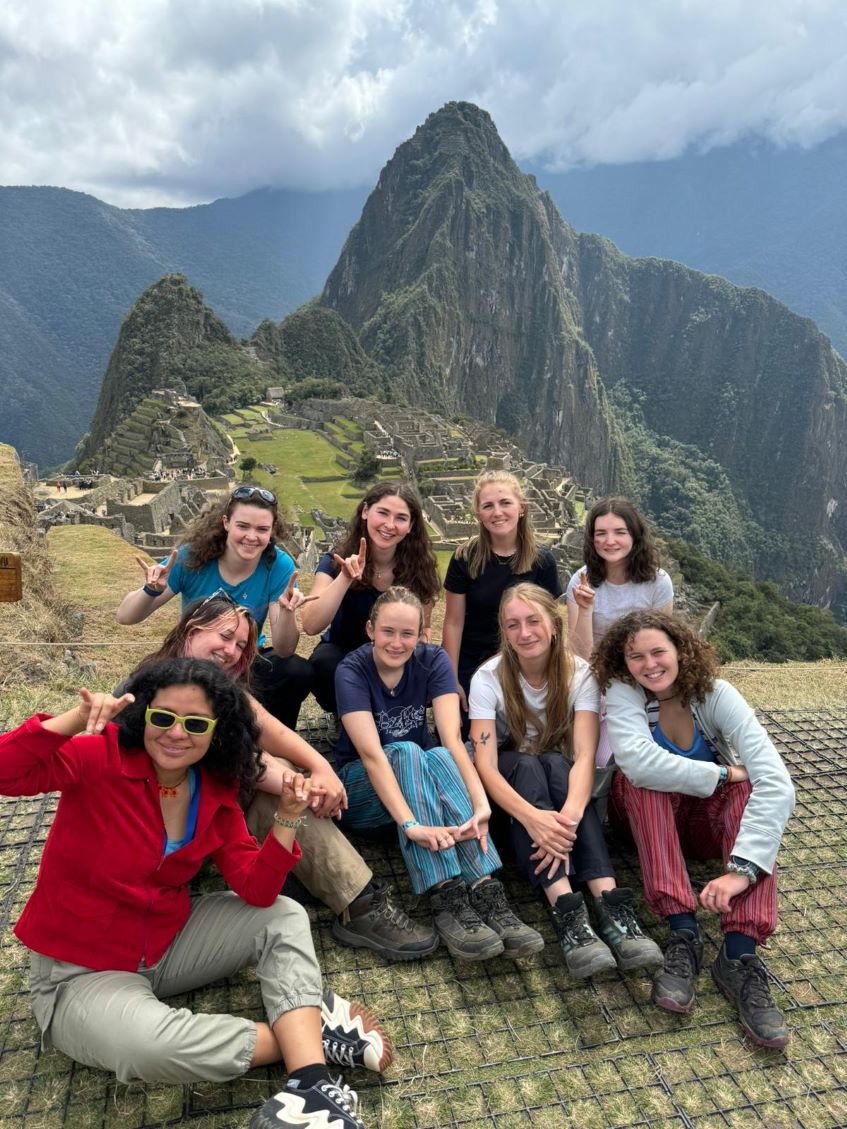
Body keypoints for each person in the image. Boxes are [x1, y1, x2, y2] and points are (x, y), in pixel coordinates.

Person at [0, 657, 391, 1129]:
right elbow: (6, 772)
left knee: (284, 915)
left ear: (216, 730)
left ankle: (310, 1086)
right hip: (79, 971)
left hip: (167, 943)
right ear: (143, 715)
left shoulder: (214, 790)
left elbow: (257, 891)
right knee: (144, 1047)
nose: (175, 733)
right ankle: (304, 1035)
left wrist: (287, 818)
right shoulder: (98, 757)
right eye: (162, 717)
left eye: (194, 723)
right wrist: (74, 721)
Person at [132, 593, 437, 961]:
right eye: (224, 637)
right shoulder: (153, 687)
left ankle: (317, 879)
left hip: (203, 815)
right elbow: (242, 763)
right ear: (192, 631)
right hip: (160, 835)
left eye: (241, 644)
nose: (231, 651)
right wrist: (306, 787)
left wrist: (320, 768)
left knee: (283, 774)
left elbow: (268, 728)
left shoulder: (214, 687)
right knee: (277, 788)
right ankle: (359, 902)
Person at [592, 610, 795, 1048]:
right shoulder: (625, 693)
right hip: (641, 817)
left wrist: (742, 869)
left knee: (752, 788)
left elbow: (777, 780)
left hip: (702, 827)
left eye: (658, 652)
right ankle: (682, 930)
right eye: (635, 656)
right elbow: (638, 762)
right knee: (640, 780)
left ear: (681, 651)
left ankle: (739, 953)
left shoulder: (717, 695)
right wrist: (722, 775)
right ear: (623, 663)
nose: (649, 665)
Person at [333, 586, 543, 962]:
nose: (397, 643)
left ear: (422, 635)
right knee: (408, 750)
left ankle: (484, 887)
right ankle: (445, 892)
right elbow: (371, 757)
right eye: (388, 632)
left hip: (420, 787)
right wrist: (410, 824)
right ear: (370, 630)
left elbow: (452, 739)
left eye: (407, 634)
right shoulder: (352, 670)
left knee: (442, 755)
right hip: (364, 794)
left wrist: (481, 805)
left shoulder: (433, 660)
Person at [469, 584, 661, 978]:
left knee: (557, 764)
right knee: (525, 764)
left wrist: (568, 816)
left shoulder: (579, 674)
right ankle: (566, 908)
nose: (525, 633)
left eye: (533, 621)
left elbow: (586, 753)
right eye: (513, 625)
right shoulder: (487, 679)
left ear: (554, 625)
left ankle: (608, 902)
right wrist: (533, 819)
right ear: (504, 632)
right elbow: (486, 766)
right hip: (511, 798)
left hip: (558, 791)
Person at [116, 485, 313, 729]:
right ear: (226, 523)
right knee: (126, 694)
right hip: (191, 657)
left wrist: (286, 611)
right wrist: (151, 591)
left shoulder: (278, 565)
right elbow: (125, 616)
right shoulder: (192, 557)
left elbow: (284, 649)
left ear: (272, 531)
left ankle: (274, 740)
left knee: (294, 671)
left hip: (243, 658)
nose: (252, 537)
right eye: (243, 526)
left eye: (262, 529)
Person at [301, 481, 441, 714]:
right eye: (383, 513)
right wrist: (345, 578)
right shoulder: (336, 560)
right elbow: (311, 624)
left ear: (411, 525)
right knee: (324, 663)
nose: (389, 525)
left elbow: (423, 629)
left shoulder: (420, 569)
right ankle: (350, 716)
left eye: (400, 518)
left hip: (395, 654)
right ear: (366, 512)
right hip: (345, 656)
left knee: (432, 664)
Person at [443, 470, 561, 734]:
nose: (497, 512)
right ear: (480, 515)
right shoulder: (465, 558)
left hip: (524, 660)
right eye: (488, 506)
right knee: (464, 734)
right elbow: (453, 622)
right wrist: (450, 679)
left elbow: (550, 624)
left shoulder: (542, 561)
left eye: (505, 503)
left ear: (521, 508)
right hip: (473, 660)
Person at [566, 496, 673, 767]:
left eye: (619, 532)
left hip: (645, 676)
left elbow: (663, 647)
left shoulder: (657, 583)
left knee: (655, 752)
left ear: (635, 536)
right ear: (592, 539)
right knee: (604, 760)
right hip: (598, 680)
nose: (609, 541)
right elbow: (580, 655)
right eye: (601, 533)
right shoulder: (581, 581)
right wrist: (585, 607)